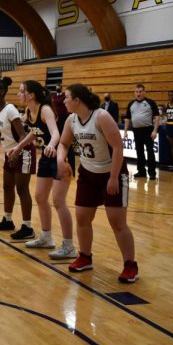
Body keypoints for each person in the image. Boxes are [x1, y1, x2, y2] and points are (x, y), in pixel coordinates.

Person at [58, 84, 138, 283]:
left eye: (66, 97)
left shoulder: (101, 116)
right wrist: (61, 160)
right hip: (87, 173)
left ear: (78, 100)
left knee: (117, 222)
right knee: (82, 217)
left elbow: (118, 147)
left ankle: (130, 265)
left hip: (112, 172)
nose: (63, 100)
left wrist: (113, 177)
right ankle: (85, 256)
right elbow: (63, 143)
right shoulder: (71, 120)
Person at [11, 80, 76, 259]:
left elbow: (55, 133)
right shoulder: (28, 111)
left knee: (59, 201)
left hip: (60, 157)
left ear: (31, 95)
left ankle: (69, 245)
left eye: (21, 91)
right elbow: (34, 132)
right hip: (47, 159)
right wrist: (18, 147)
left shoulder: (45, 109)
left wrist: (52, 145)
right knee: (40, 197)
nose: (18, 94)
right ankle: (46, 237)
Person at [0, 76, 35, 240]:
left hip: (23, 152)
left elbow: (23, 135)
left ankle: (27, 227)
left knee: (21, 189)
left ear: (2, 92)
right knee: (6, 186)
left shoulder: (10, 109)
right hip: (10, 154)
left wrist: (17, 152)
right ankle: (8, 219)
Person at [123, 84, 160, 180]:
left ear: (144, 92)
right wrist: (125, 131)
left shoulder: (150, 102)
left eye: (140, 91)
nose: (138, 94)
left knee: (150, 151)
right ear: (134, 92)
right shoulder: (131, 104)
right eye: (136, 92)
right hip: (136, 130)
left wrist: (155, 130)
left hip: (148, 130)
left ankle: (152, 173)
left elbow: (157, 117)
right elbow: (127, 118)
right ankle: (141, 171)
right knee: (139, 151)